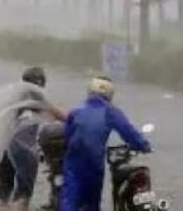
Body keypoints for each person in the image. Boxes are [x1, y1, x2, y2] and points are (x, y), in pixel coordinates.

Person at [60, 76, 150, 211]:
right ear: (110, 93)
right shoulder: (110, 111)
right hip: (94, 161)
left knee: (70, 199)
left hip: (73, 161)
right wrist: (144, 146)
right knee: (92, 201)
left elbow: (67, 135)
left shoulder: (76, 111)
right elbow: (128, 132)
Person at [0, 66, 65, 207]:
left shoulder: (14, 97)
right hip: (23, 150)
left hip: (4, 148)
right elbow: (60, 115)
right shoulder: (37, 98)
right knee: (24, 193)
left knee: (3, 190)